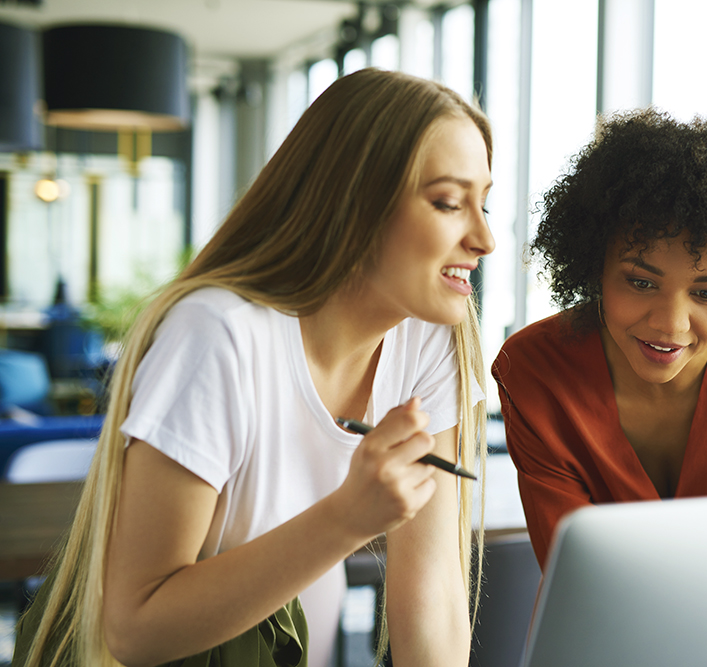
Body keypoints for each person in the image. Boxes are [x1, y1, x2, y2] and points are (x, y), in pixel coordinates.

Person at [14, 68, 495, 667]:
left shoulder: (430, 332)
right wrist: (347, 518)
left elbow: (435, 597)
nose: (484, 238)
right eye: (449, 203)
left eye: (484, 201)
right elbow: (134, 631)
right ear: (354, 202)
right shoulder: (219, 334)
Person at [492, 109, 707, 568]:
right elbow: (577, 576)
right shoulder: (535, 369)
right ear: (594, 263)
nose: (670, 324)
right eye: (641, 283)